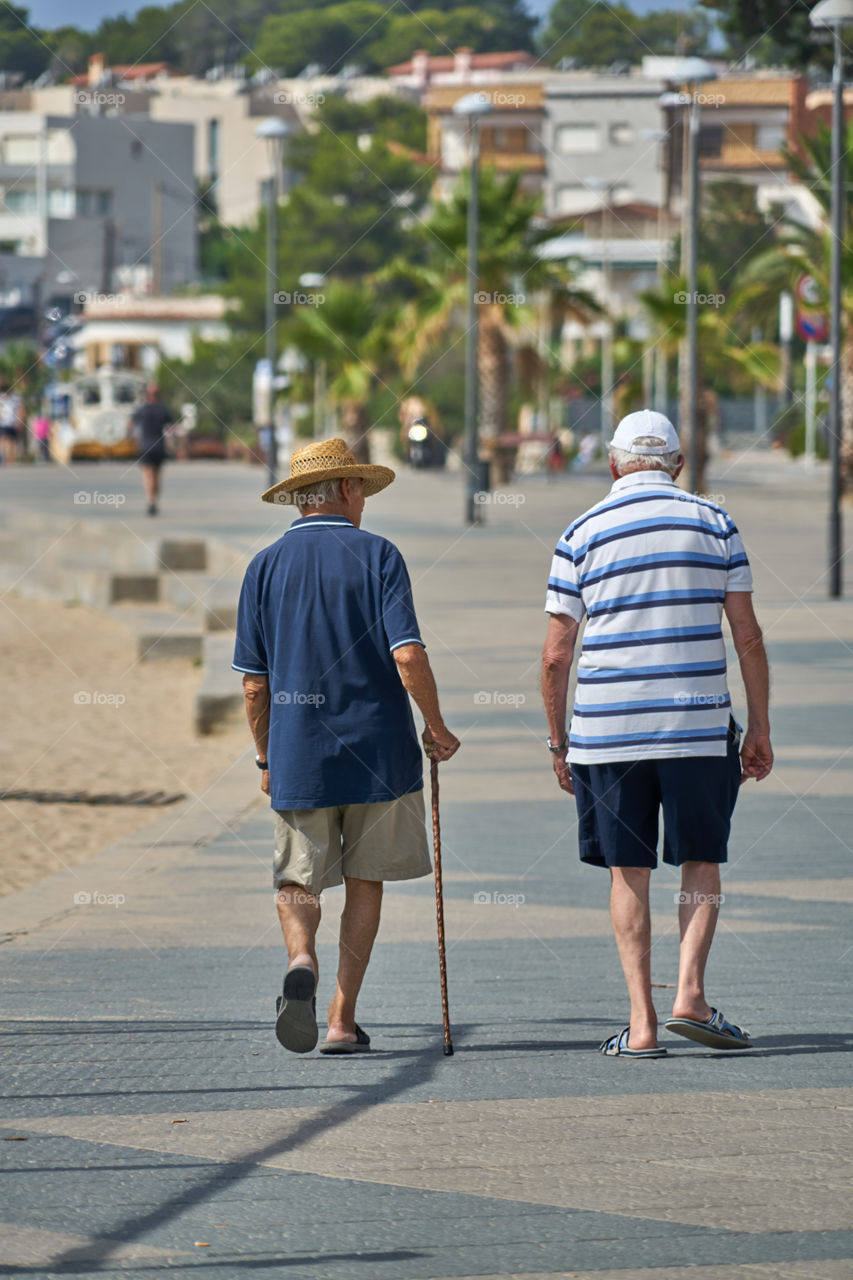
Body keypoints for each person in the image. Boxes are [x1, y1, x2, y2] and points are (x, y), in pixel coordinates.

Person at [541, 409, 773, 1059]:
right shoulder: (714, 522)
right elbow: (746, 636)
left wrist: (558, 742)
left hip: (607, 733)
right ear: (676, 465)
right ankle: (690, 997)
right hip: (697, 728)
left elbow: (557, 653)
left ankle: (641, 1025)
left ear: (613, 463)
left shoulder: (579, 532)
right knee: (700, 859)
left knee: (628, 869)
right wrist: (757, 727)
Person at [233, 437, 460, 1055]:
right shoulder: (380, 556)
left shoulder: (263, 567)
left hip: (298, 753)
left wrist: (265, 758)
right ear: (348, 490)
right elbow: (407, 654)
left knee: (298, 881)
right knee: (365, 879)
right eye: (360, 486)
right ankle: (339, 1018)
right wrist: (436, 727)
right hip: (380, 757)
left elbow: (255, 685)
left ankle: (300, 957)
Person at [129, 383, 173, 515]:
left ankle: (150, 500)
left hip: (146, 446)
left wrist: (132, 440)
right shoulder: (163, 410)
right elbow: (170, 430)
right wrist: (172, 445)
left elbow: (130, 425)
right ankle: (154, 501)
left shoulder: (142, 409)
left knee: (148, 475)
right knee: (157, 476)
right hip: (159, 447)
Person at [0, 383, 24, 465]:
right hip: (3, 423)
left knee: (11, 441)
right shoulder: (1, 398)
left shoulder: (16, 398)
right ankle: (5, 458)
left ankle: (10, 459)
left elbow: (21, 409)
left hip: (12, 423)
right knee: (3, 440)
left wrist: (20, 421)